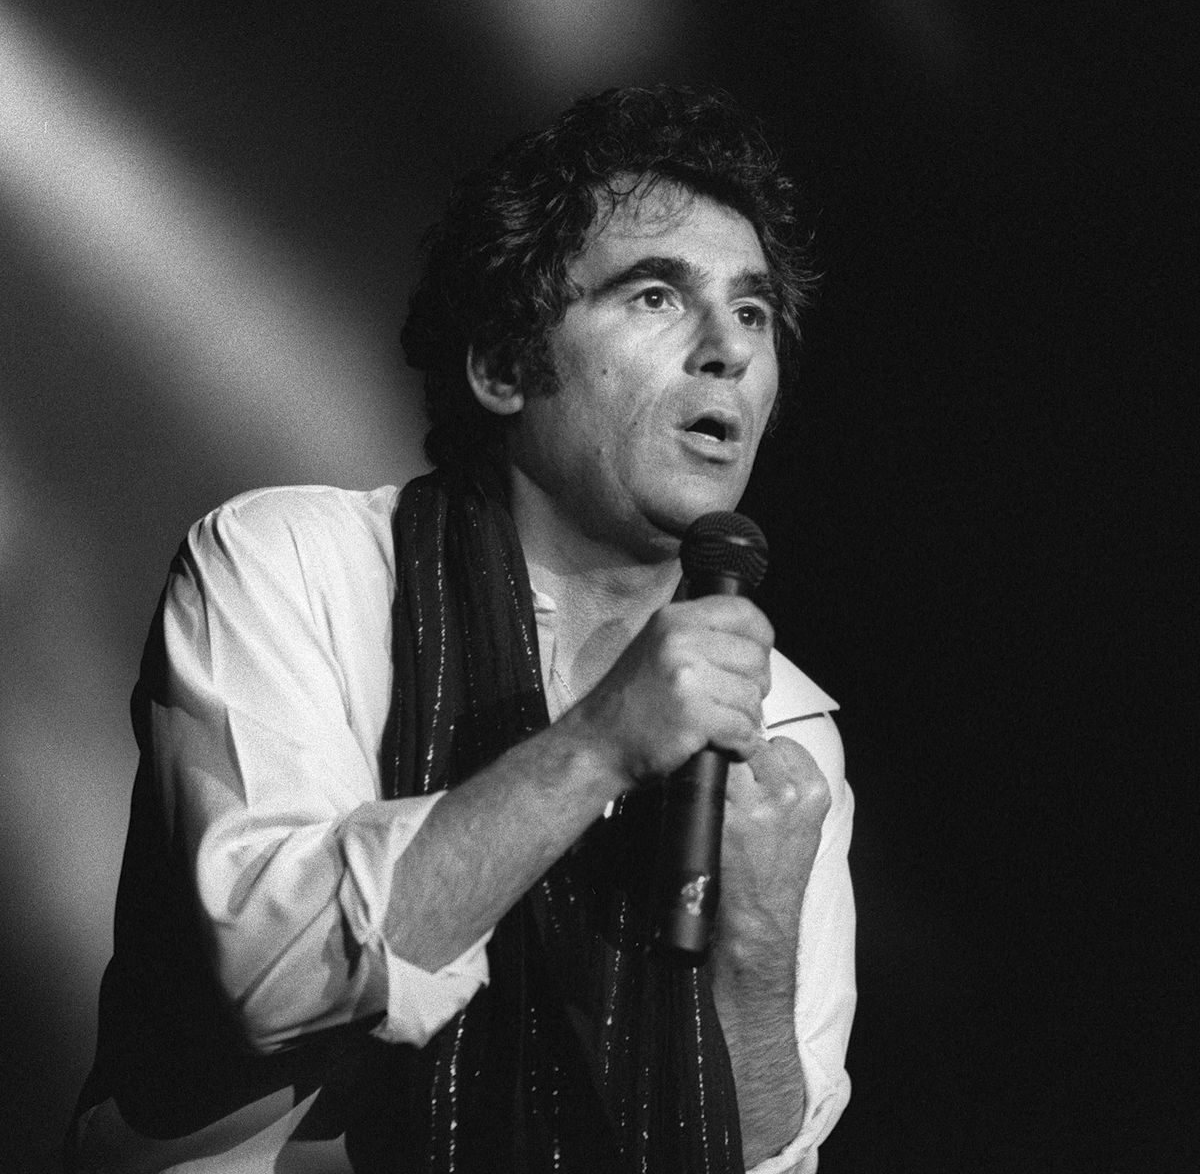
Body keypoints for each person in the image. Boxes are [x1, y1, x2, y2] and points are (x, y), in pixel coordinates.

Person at [67, 85, 855, 1174]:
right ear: (499, 365)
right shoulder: (292, 565)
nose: (727, 348)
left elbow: (769, 1156)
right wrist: (599, 745)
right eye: (656, 297)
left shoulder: (784, 732)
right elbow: (269, 973)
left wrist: (757, 944)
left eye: (755, 312)